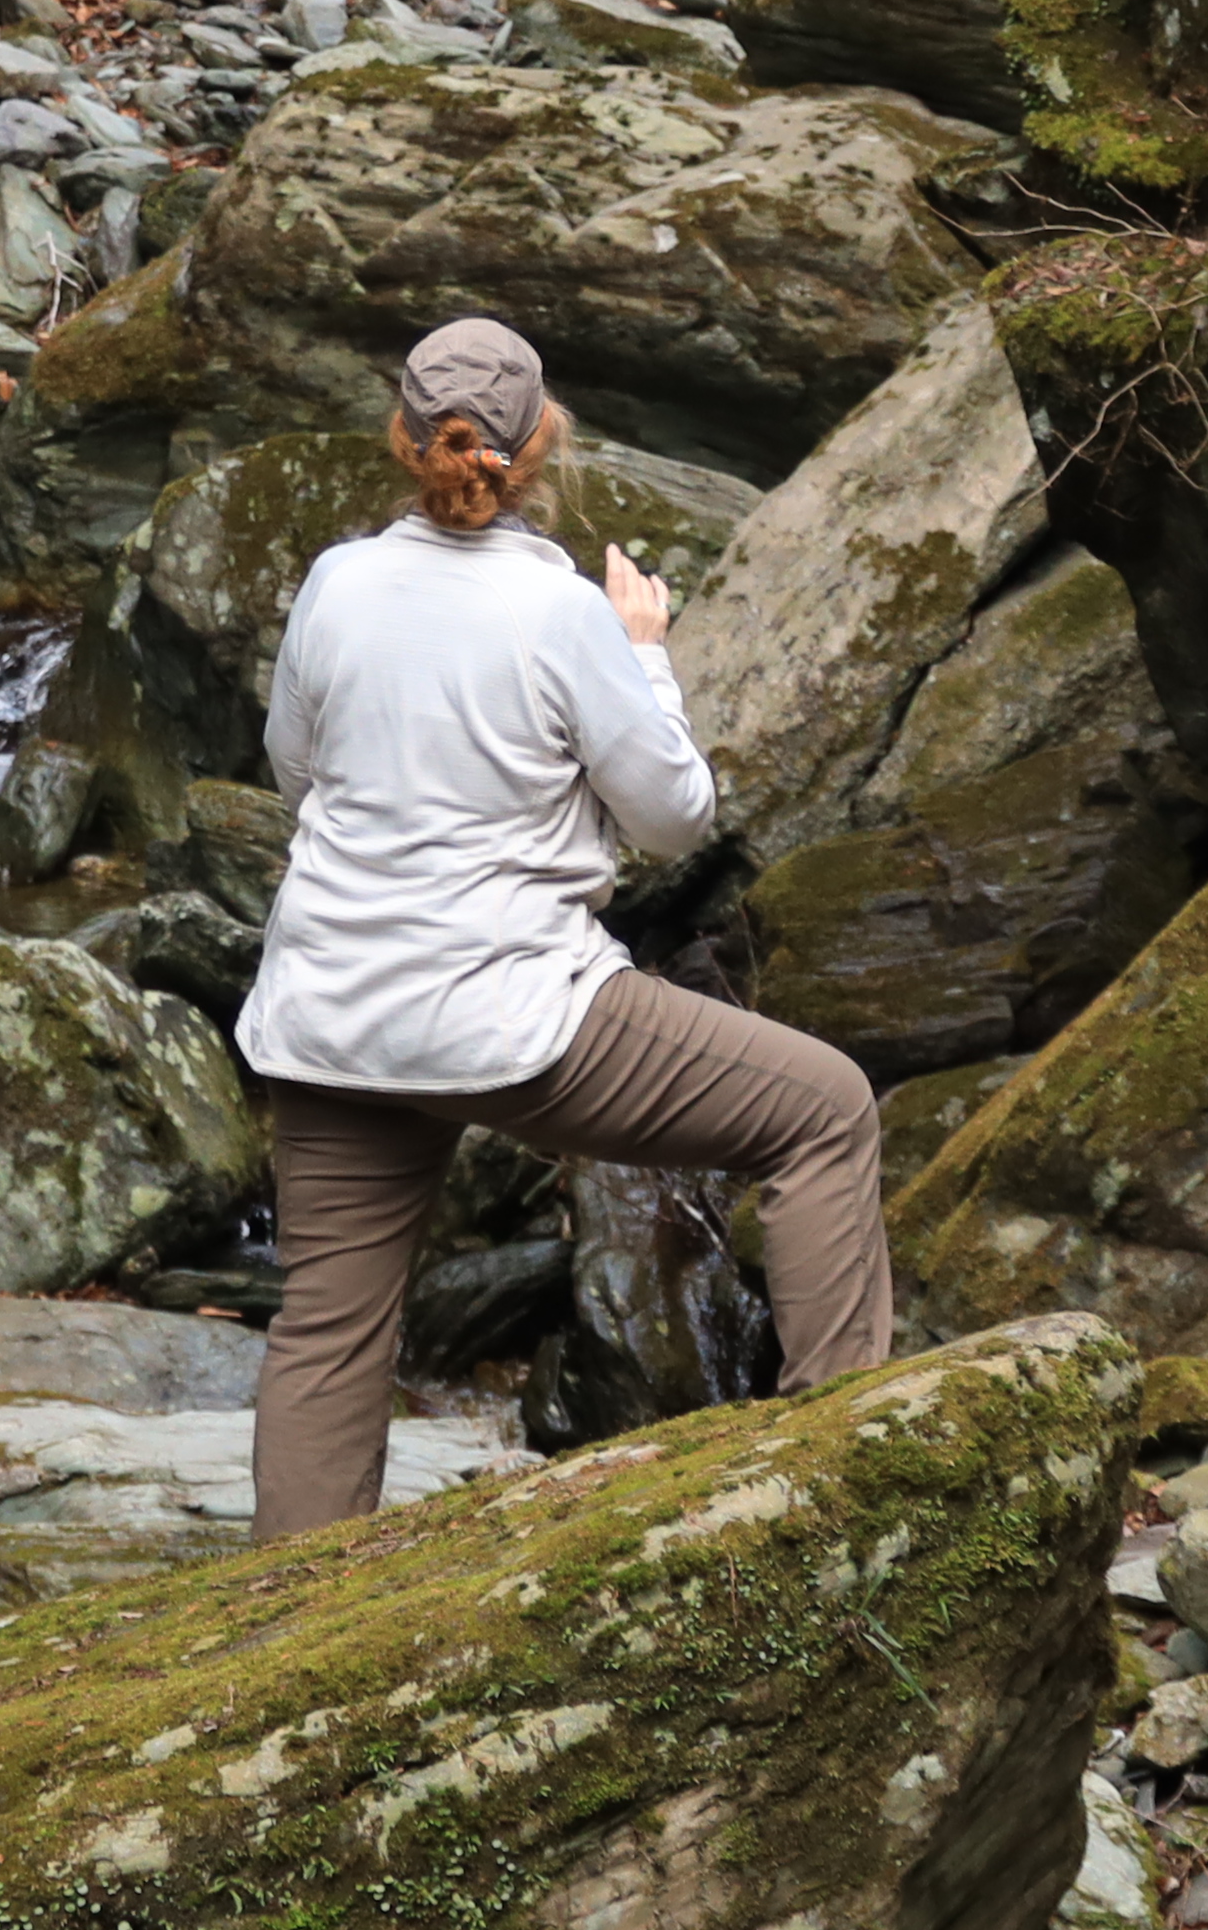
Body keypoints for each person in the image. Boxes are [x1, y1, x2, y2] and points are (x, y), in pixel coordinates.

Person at [235, 315, 892, 1538]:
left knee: (329, 1332)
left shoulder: (336, 583)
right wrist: (643, 653)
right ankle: (842, 1494)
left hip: (329, 1011)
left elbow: (294, 776)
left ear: (402, 439)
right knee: (825, 1113)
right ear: (544, 446)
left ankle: (275, 1640)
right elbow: (671, 818)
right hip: (520, 1017)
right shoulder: (561, 614)